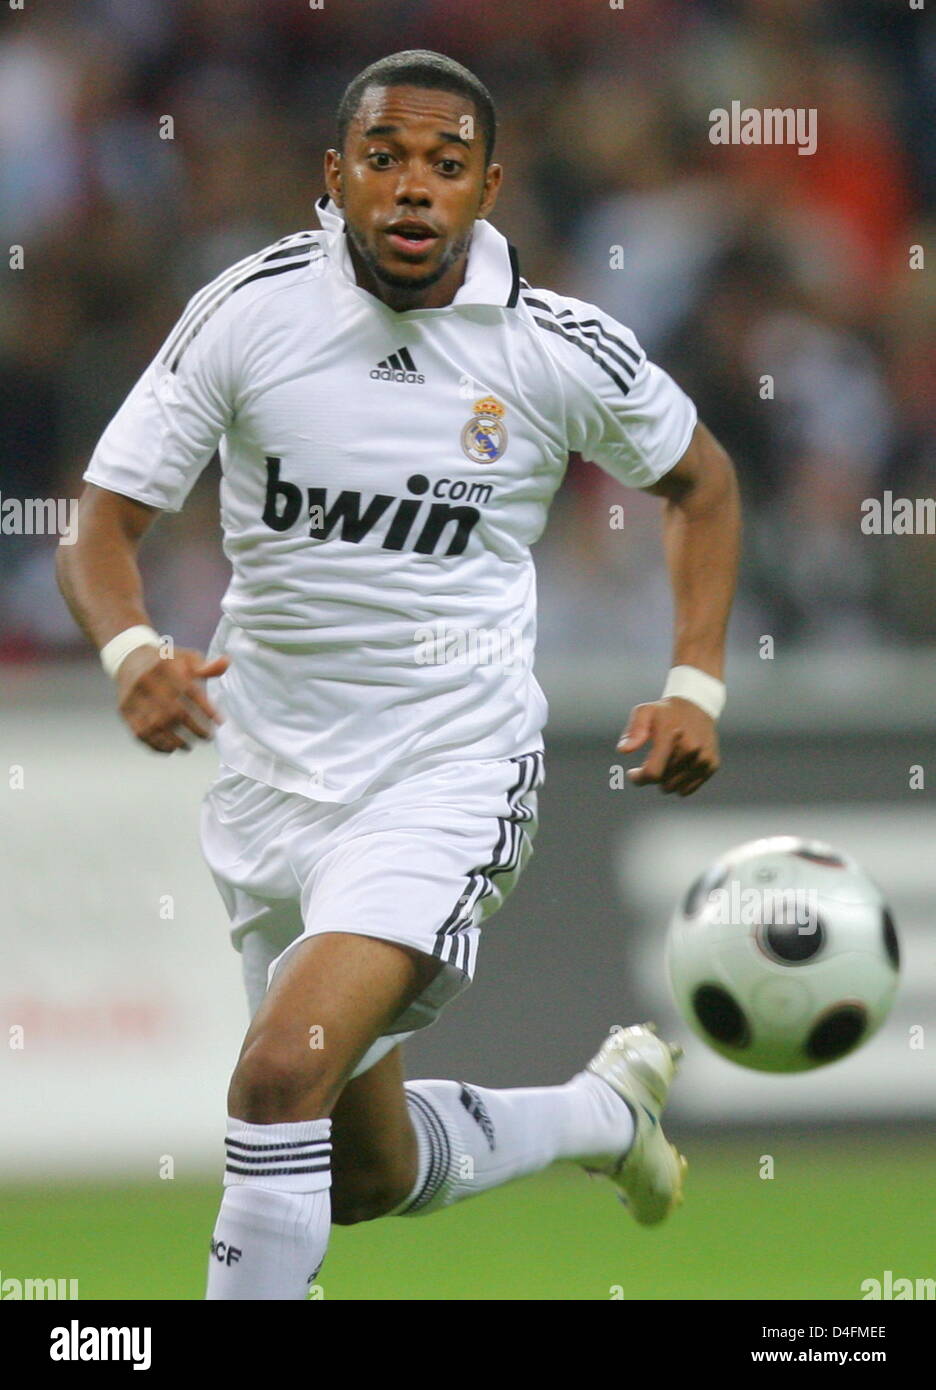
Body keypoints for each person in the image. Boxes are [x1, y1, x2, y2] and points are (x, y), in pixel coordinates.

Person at [57, 50, 741, 1301]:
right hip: (271, 785)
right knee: (355, 1174)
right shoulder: (251, 311)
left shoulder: (552, 345)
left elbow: (700, 480)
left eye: (444, 165)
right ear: (336, 178)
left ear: (488, 185)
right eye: (385, 159)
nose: (413, 189)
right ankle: (600, 1117)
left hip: (450, 772)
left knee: (275, 1076)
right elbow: (97, 522)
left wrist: (696, 675)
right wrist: (130, 646)